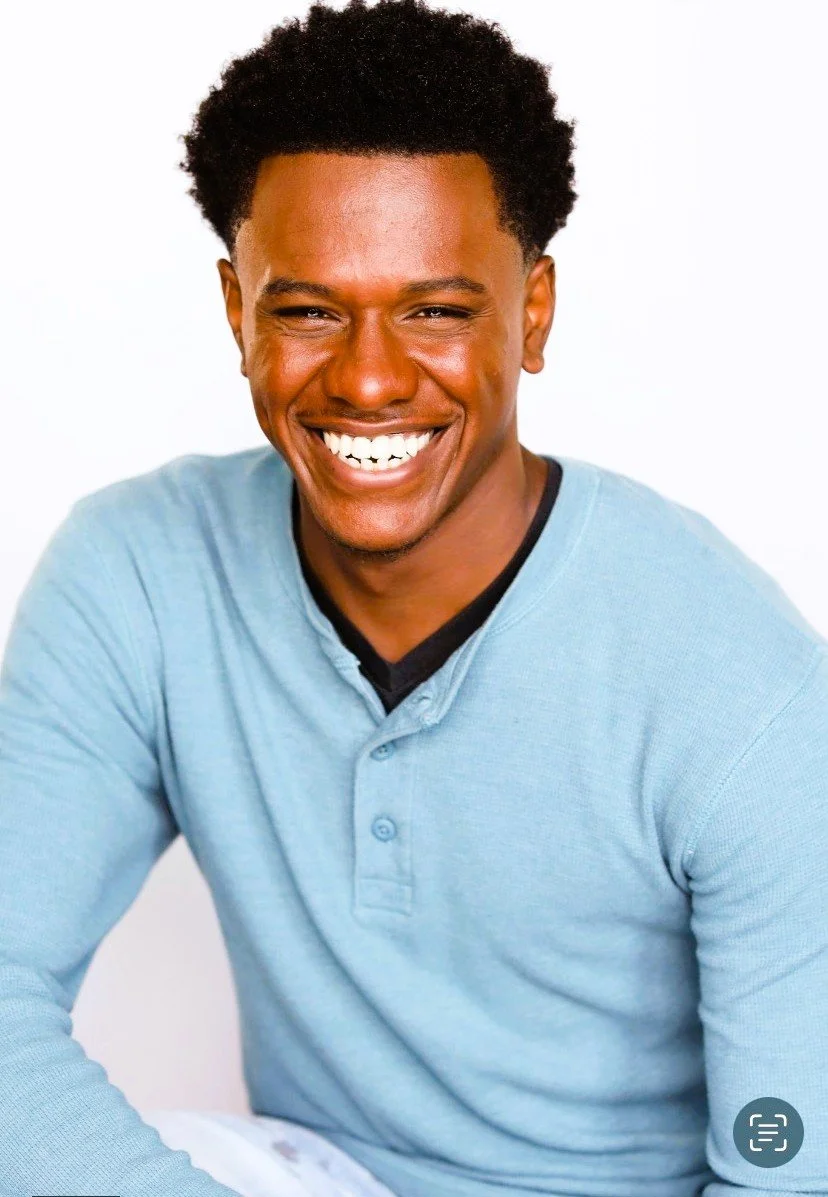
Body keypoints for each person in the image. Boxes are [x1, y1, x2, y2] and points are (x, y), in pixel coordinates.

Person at [0, 0, 826, 1195]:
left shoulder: (742, 691)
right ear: (237, 312)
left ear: (532, 312)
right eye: (308, 310)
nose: (371, 378)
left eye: (437, 311)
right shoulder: (138, 575)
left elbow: (786, 1160)